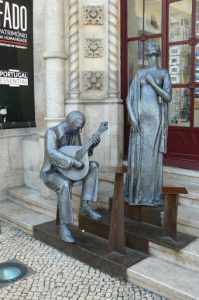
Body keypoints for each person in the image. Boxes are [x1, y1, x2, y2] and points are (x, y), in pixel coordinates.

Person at [40, 111, 101, 243]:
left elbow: (79, 154)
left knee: (93, 166)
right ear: (69, 123)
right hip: (51, 173)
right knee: (64, 184)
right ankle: (64, 226)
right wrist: (73, 162)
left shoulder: (74, 133)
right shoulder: (52, 132)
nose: (80, 130)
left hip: (69, 172)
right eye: (79, 127)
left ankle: (85, 204)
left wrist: (91, 146)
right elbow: (52, 153)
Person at [124, 40, 172, 206]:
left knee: (152, 156)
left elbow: (167, 97)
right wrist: (133, 118)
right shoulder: (140, 73)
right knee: (139, 154)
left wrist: (153, 83)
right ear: (146, 52)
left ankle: (150, 195)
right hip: (140, 117)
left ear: (158, 51)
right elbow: (129, 98)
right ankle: (138, 193)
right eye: (150, 47)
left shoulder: (163, 73)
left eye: (155, 46)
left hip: (155, 117)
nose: (152, 48)